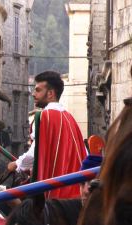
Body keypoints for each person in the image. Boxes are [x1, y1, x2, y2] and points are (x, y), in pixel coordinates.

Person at [7, 71, 87, 199]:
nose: (33, 94)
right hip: (77, 187)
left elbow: (35, 153)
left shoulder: (45, 116)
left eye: (38, 90)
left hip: (57, 191)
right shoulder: (69, 117)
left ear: (50, 93)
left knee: (9, 199)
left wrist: (17, 164)